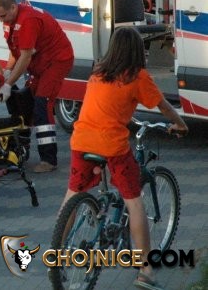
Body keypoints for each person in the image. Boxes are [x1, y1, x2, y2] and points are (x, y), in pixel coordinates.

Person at [58, 27, 188, 290]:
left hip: (81, 141)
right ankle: (146, 271)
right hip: (111, 146)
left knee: (73, 195)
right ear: (139, 51)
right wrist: (181, 124)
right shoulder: (137, 76)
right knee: (134, 202)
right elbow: (163, 105)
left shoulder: (97, 72)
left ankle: (58, 250)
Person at [0, 0, 73, 173]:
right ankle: (20, 150)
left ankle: (48, 160)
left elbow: (26, 56)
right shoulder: (11, 20)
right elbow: (16, 51)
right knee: (25, 103)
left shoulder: (28, 20)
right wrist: (7, 71)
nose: (1, 20)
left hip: (56, 62)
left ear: (13, 7)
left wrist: (8, 84)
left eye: (3, 16)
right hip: (41, 64)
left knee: (42, 104)